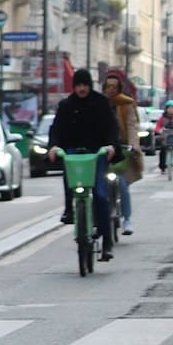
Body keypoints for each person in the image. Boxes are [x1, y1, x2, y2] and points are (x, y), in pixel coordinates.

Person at [48, 68, 122, 259]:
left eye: (84, 85)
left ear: (90, 85)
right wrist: (54, 147)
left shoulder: (101, 103)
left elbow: (111, 127)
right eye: (78, 85)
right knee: (71, 182)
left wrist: (112, 146)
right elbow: (56, 129)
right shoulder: (66, 105)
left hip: (96, 153)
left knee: (100, 194)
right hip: (73, 153)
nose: (81, 89)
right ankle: (69, 210)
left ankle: (107, 242)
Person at [100, 72, 141, 237]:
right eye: (108, 86)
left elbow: (132, 126)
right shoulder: (99, 103)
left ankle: (127, 218)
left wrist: (133, 145)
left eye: (114, 87)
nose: (111, 89)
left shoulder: (126, 104)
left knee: (122, 184)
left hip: (122, 149)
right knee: (98, 185)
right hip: (103, 150)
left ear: (119, 88)